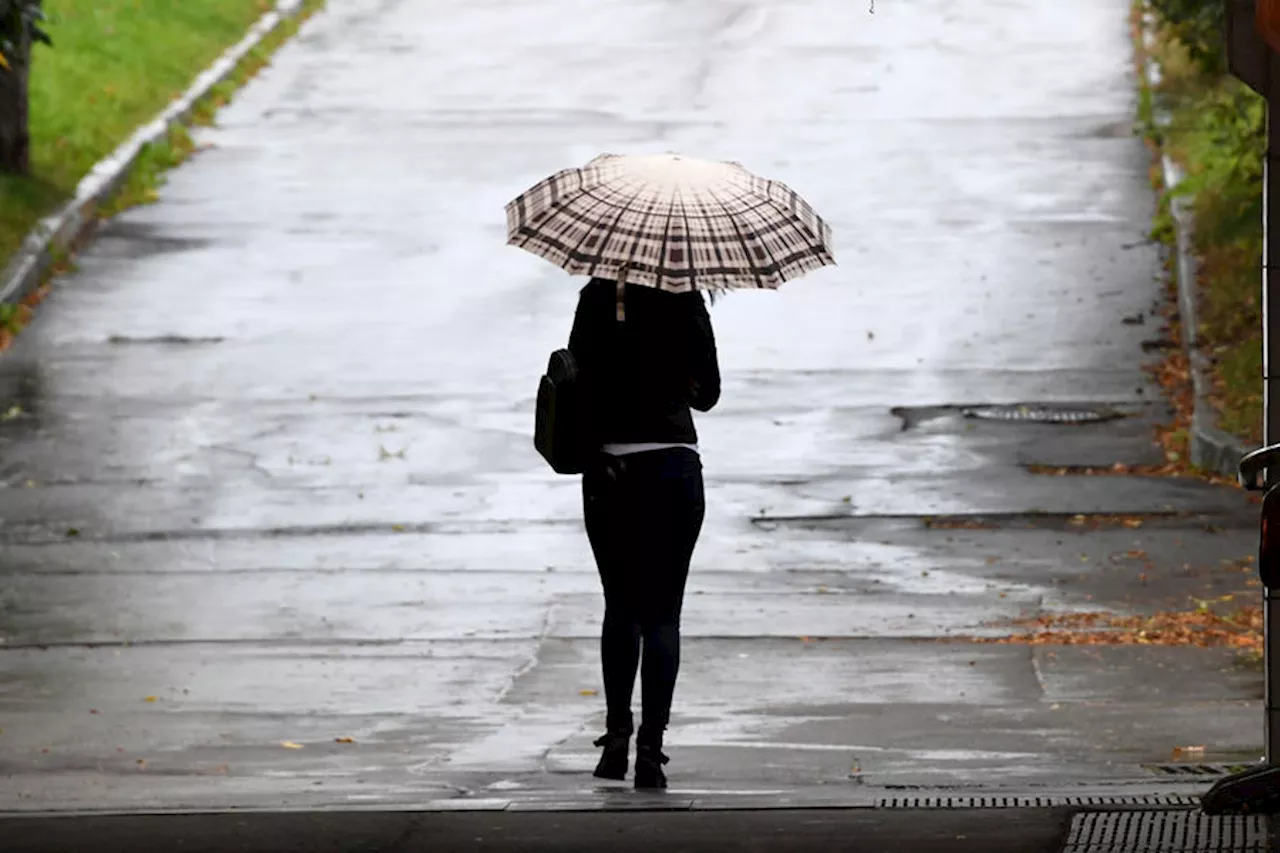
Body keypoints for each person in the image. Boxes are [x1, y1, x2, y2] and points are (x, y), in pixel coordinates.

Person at [567, 275, 721, 789]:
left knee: (621, 607)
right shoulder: (686, 295)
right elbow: (709, 395)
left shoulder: (597, 295)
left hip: (612, 471)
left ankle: (615, 739)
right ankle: (652, 751)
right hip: (674, 467)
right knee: (663, 615)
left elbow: (574, 381)